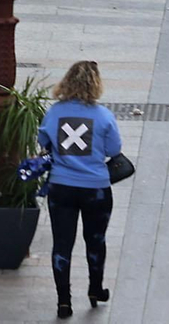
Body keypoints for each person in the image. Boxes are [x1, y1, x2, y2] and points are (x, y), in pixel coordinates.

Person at [38, 60, 123, 319]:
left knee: (62, 244)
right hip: (95, 189)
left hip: (61, 187)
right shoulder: (104, 116)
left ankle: (64, 302)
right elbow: (113, 151)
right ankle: (95, 289)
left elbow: (43, 141)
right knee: (95, 241)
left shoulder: (55, 113)